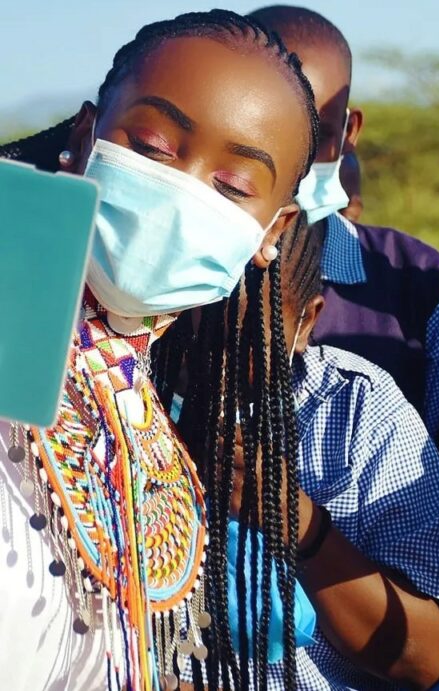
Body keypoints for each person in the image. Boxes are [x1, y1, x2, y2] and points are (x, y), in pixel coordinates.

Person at [0, 10, 319, 690]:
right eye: (151, 145)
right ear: (86, 135)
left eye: (233, 187)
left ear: (271, 231)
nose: (182, 189)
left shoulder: (153, 427)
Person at [167, 217, 439, 691]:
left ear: (306, 322)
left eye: (245, 341)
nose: (214, 361)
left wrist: (291, 515)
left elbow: (426, 658)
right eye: (190, 330)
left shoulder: (355, 410)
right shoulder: (121, 394)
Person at [249, 5, 439, 437]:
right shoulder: (180, 275)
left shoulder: (422, 282)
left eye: (314, 135)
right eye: (263, 133)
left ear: (349, 131)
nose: (289, 162)